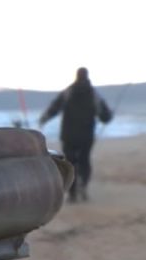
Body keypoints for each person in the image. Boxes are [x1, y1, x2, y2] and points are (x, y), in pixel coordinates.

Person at [38, 67, 113, 202]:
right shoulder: (94, 95)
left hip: (68, 135)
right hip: (86, 135)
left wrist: (44, 118)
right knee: (84, 161)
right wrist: (109, 116)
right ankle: (83, 186)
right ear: (87, 76)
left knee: (70, 162)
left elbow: (55, 108)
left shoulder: (68, 92)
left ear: (76, 76)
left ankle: (72, 194)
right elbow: (105, 117)